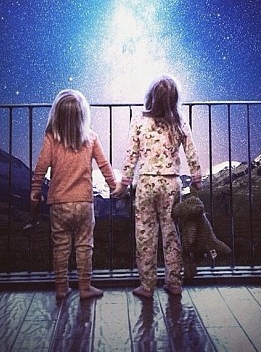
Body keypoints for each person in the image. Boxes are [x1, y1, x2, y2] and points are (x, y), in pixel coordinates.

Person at [112, 74, 202, 298]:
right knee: (171, 233)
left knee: (145, 234)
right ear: (174, 99)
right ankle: (174, 282)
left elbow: (131, 155)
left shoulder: (139, 120)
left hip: (146, 183)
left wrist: (124, 182)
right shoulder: (179, 121)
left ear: (150, 97)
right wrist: (196, 176)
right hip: (171, 184)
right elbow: (191, 150)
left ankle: (147, 285)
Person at [30, 89, 116, 300]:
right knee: (84, 245)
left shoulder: (51, 138)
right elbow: (104, 165)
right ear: (83, 115)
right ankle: (85, 287)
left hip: (59, 203)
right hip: (84, 203)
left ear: (56, 114)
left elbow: (41, 166)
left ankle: (61, 287)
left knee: (60, 246)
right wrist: (113, 186)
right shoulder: (91, 138)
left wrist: (35, 189)